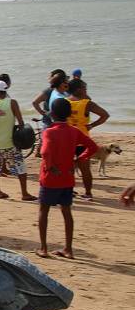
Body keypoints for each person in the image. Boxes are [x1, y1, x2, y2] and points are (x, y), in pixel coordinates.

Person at [37, 98, 98, 259]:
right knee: (66, 211)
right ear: (69, 114)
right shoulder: (74, 131)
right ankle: (68, 249)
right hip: (67, 178)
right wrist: (78, 160)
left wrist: (50, 166)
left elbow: (45, 152)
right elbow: (92, 147)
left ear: (53, 114)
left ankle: (43, 248)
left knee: (44, 210)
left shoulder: (49, 131)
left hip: (50, 178)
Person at [66, 78, 109, 200]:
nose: (86, 91)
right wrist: (91, 125)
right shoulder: (87, 103)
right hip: (83, 140)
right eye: (85, 88)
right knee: (85, 169)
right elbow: (105, 115)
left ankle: (69, 191)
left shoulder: (64, 102)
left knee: (69, 168)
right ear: (79, 89)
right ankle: (88, 193)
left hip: (68, 140)